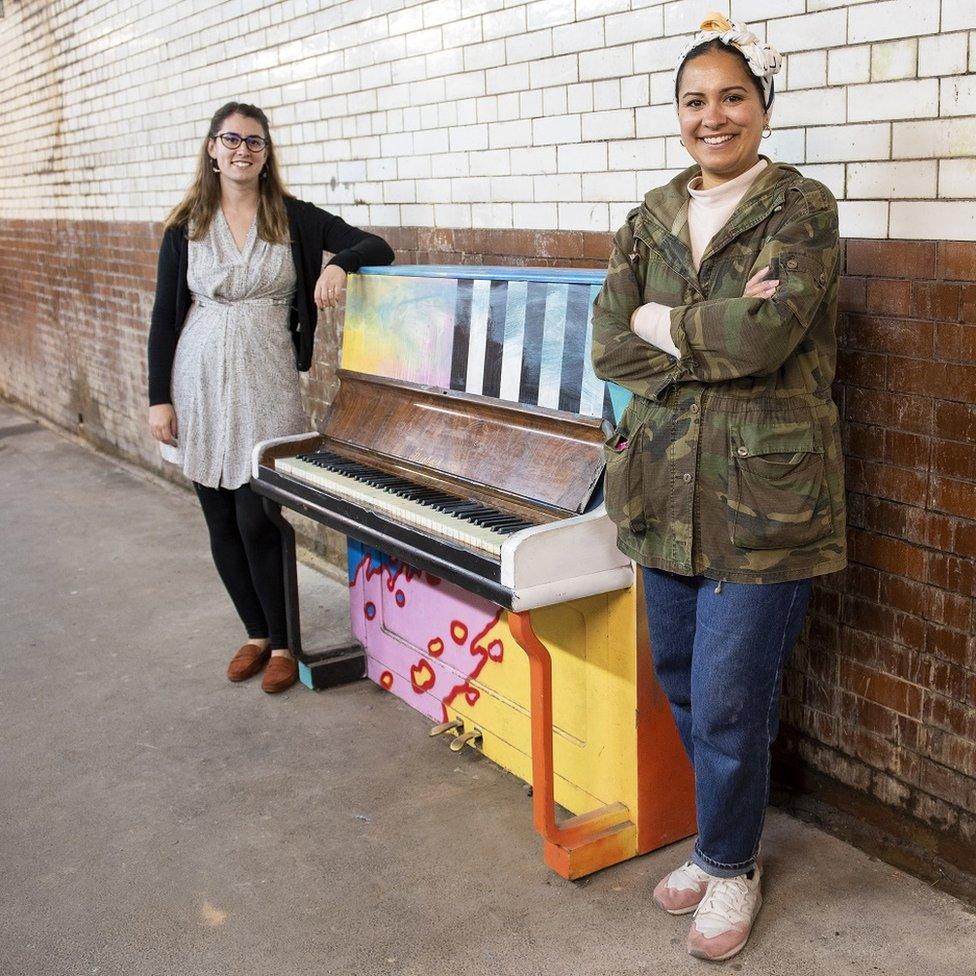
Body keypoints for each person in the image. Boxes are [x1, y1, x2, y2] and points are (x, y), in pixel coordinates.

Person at [592, 13, 846, 962]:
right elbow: (608, 339)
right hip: (661, 487)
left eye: (732, 96)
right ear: (677, 115)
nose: (714, 115)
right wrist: (697, 333)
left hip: (765, 502)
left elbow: (769, 338)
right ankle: (719, 841)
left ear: (763, 108)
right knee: (684, 683)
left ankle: (732, 866)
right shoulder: (648, 214)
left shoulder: (801, 208)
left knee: (734, 694)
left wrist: (668, 323)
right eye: (695, 100)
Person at [147, 102, 394, 695]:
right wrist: (159, 398)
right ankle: (255, 633)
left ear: (266, 153)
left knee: (258, 512)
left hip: (266, 378)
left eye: (254, 142)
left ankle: (285, 643)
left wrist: (340, 268)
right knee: (218, 514)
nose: (242, 150)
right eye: (230, 140)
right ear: (211, 148)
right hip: (199, 379)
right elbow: (164, 317)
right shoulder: (185, 226)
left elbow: (375, 245)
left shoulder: (294, 218)